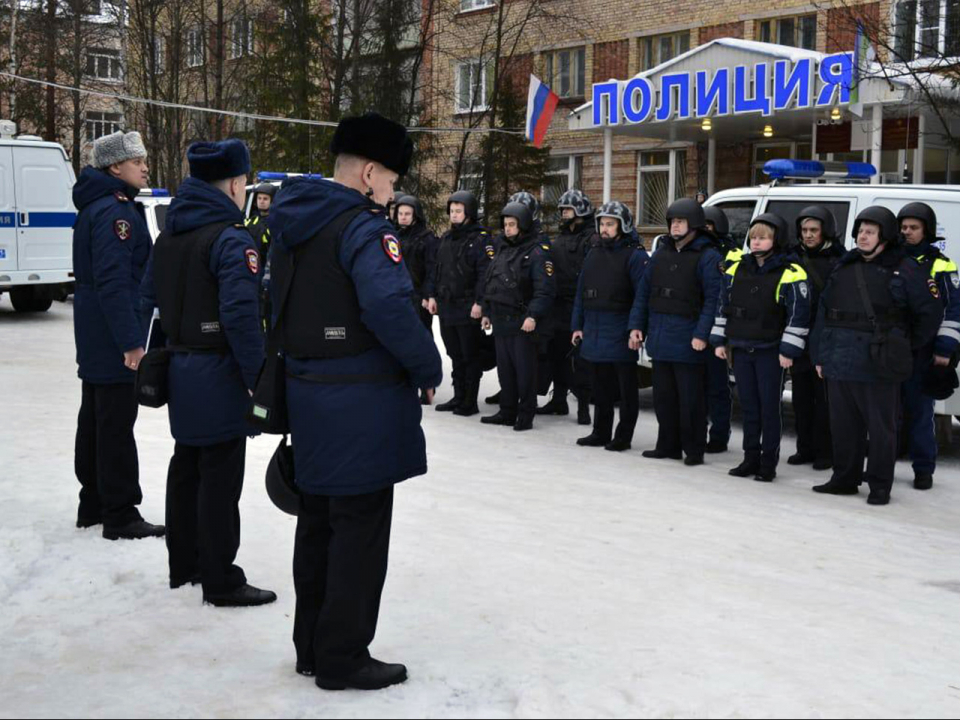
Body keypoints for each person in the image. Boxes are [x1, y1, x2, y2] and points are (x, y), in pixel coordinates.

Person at [269, 112, 443, 690]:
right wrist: (427, 363)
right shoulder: (366, 230)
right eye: (391, 180)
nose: (393, 193)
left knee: (317, 524)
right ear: (369, 174)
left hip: (310, 396)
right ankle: (344, 655)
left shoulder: (295, 224)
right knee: (361, 531)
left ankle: (313, 647)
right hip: (362, 401)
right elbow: (390, 306)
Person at [140, 139, 274, 607]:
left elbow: (147, 297)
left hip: (181, 365)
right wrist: (258, 377)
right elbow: (240, 316)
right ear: (236, 184)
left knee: (187, 467)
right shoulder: (230, 238)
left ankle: (185, 565)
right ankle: (220, 578)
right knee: (220, 476)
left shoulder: (170, 235)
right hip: (218, 370)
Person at [811, 206, 941, 505]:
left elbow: (929, 314)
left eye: (870, 231)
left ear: (885, 236)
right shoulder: (844, 266)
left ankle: (880, 485)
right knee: (844, 425)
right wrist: (820, 353)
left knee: (881, 428)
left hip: (879, 362)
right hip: (839, 359)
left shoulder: (906, 268)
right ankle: (844, 478)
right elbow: (823, 312)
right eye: (860, 231)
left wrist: (902, 346)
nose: (863, 236)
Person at [71, 130, 164, 541]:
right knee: (115, 424)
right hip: (113, 335)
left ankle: (92, 502)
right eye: (137, 160)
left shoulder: (98, 205)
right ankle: (121, 513)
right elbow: (114, 283)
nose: (145, 166)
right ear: (115, 167)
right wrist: (132, 343)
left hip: (95, 332)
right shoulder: (116, 213)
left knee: (95, 417)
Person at [711, 214, 810, 482]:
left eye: (763, 237)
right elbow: (723, 307)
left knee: (769, 408)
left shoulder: (791, 272)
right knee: (749, 408)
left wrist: (788, 350)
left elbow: (798, 315)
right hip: (741, 348)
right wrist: (719, 341)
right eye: (753, 237)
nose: (756, 242)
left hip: (770, 351)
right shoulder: (735, 269)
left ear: (776, 239)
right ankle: (749, 458)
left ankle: (768, 463)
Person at [632, 198, 724, 466]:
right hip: (660, 338)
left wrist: (702, 334)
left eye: (680, 222)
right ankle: (667, 445)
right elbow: (644, 294)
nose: (674, 226)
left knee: (691, 401)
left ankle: (693, 449)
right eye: (672, 222)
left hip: (689, 341)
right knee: (664, 398)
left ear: (694, 224)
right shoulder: (661, 253)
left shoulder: (708, 257)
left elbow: (713, 300)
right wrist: (637, 326)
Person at [572, 202, 649, 451]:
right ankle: (600, 431)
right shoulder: (593, 252)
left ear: (622, 226)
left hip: (621, 330)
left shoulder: (636, 256)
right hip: (594, 327)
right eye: (602, 224)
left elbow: (642, 296)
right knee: (600, 387)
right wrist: (577, 325)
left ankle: (623, 436)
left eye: (610, 224)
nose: (604, 229)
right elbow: (581, 293)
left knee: (626, 389)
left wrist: (635, 327)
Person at [897, 202, 960, 490]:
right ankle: (886, 459)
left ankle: (924, 468)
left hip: (924, 350)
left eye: (914, 228)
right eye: (904, 227)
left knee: (921, 412)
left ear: (927, 231)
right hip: (892, 349)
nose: (907, 232)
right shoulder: (890, 258)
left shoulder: (942, 265)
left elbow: (954, 309)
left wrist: (945, 349)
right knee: (887, 410)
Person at [480, 202, 555, 430]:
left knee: (525, 374)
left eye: (512, 225)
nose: (508, 229)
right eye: (505, 225)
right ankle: (507, 411)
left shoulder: (536, 253)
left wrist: (533, 316)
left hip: (523, 323)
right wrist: (487, 311)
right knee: (506, 373)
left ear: (522, 225)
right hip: (501, 321)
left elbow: (545, 289)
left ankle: (525, 414)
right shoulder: (502, 249)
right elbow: (491, 282)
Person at [424, 190, 493, 416]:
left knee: (469, 355)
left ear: (469, 213)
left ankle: (469, 401)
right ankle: (458, 396)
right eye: (452, 211)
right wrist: (432, 295)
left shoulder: (481, 239)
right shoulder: (445, 238)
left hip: (468, 306)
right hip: (447, 305)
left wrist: (480, 302)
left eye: (458, 211)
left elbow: (486, 273)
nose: (454, 215)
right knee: (454, 354)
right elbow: (436, 270)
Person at [789, 205, 844, 470]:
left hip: (825, 337)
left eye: (814, 230)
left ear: (826, 231)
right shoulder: (791, 257)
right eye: (804, 230)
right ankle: (805, 448)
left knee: (825, 401)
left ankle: (826, 452)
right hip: (799, 335)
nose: (808, 235)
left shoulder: (839, 259)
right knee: (801, 399)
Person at [539, 189, 596, 425]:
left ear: (581, 211)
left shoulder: (592, 239)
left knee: (579, 361)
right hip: (558, 306)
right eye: (562, 209)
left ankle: (583, 407)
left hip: (579, 306)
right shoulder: (560, 238)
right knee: (556, 356)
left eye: (568, 209)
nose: (563, 213)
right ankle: (559, 400)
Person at [396, 194, 439, 404]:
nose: (403, 217)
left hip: (418, 296)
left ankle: (427, 384)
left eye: (407, 214)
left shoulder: (427, 238)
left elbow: (432, 269)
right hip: (398, 296)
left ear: (416, 215)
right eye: (400, 213)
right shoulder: (393, 235)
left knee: (422, 340)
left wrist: (428, 295)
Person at [701, 205, 737, 453]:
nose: (704, 230)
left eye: (708, 225)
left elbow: (729, 291)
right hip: (696, 326)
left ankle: (719, 435)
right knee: (697, 388)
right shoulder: (696, 250)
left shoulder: (732, 254)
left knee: (717, 387)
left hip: (720, 329)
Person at [244, 182, 276, 257]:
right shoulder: (250, 220)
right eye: (259, 198)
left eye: (265, 199)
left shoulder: (275, 223)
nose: (261, 201)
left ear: (272, 201)